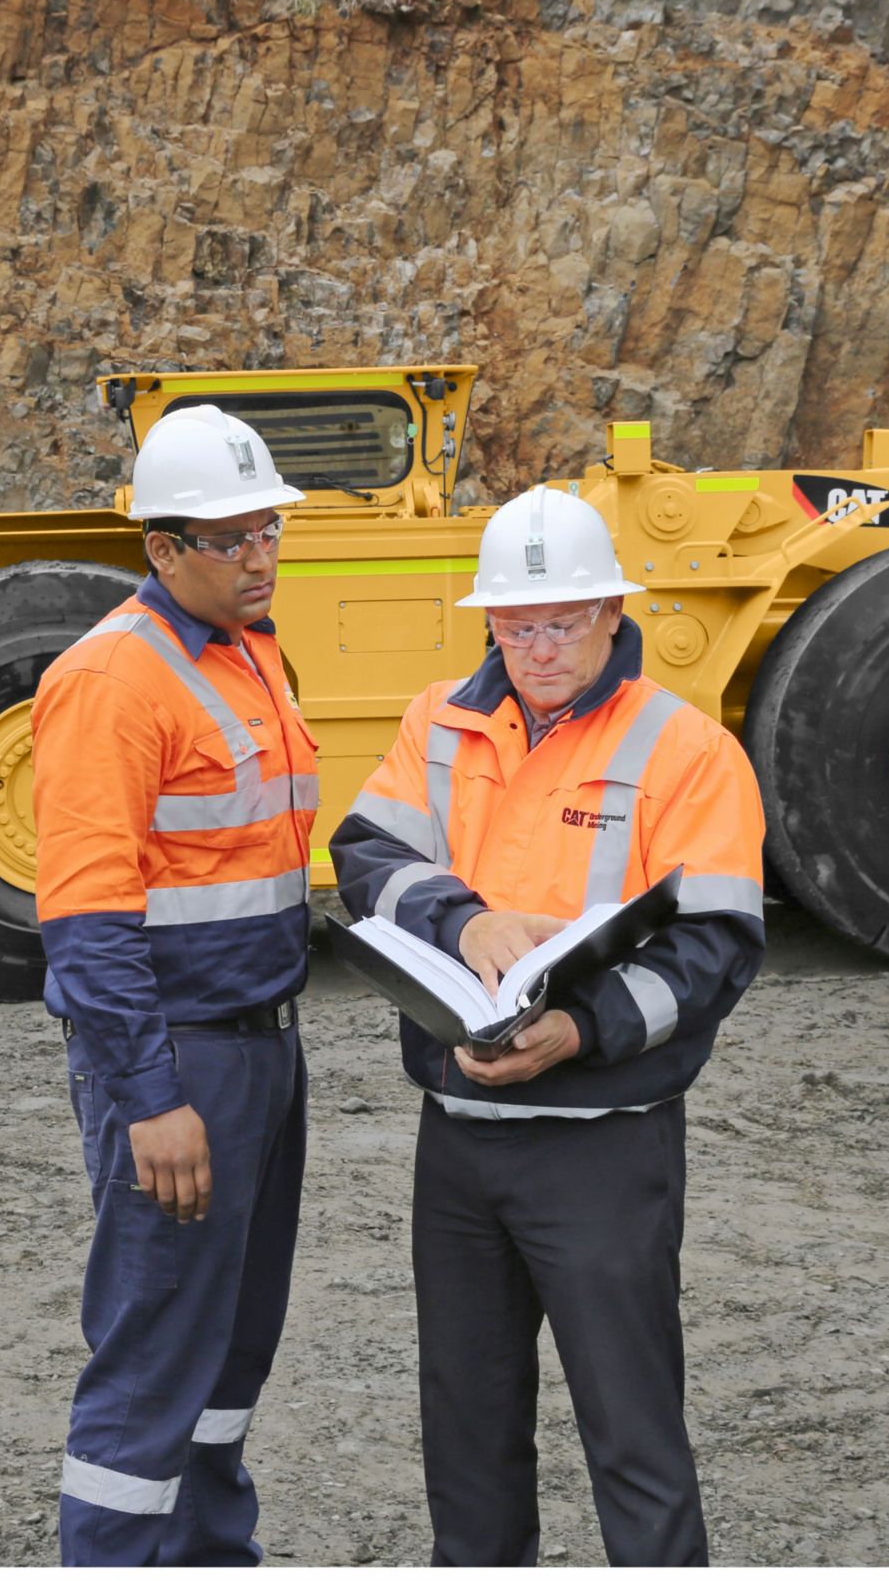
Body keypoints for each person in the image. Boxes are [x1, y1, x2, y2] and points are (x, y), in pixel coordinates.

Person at [328, 484, 767, 1566]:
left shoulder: (686, 749)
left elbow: (714, 948)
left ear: (614, 613)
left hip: (603, 1142)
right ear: (489, 623)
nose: (538, 645)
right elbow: (366, 855)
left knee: (632, 1433)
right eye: (517, 624)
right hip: (461, 1127)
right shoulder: (440, 722)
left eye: (562, 620)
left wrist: (581, 1031)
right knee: (466, 1432)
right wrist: (462, 918)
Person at [32, 404, 321, 1566]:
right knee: (154, 1360)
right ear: (161, 547)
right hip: (183, 1057)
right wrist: (149, 1096)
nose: (260, 556)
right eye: (232, 537)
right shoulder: (111, 678)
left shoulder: (252, 651)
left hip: (261, 1047)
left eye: (269, 530)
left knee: (228, 1358)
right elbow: (86, 921)